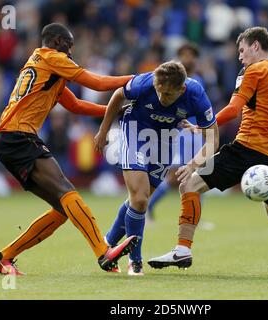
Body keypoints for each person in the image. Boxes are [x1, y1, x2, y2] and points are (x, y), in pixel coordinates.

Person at [148, 27, 268, 275]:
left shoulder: (253, 70)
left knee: (189, 185)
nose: (240, 56)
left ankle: (182, 250)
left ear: (256, 46)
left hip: (246, 148)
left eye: (242, 49)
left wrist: (204, 125)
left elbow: (234, 110)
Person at [0, 23, 138, 276]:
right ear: (56, 41)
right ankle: (104, 253)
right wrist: (137, 79)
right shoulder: (52, 57)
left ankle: (3, 258)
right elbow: (97, 83)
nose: (71, 50)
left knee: (62, 208)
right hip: (19, 137)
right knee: (67, 191)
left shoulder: (44, 65)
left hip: (10, 139)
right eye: (69, 44)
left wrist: (113, 112)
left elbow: (76, 104)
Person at [94, 61, 219, 275]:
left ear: (182, 89)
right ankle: (135, 261)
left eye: (169, 95)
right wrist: (103, 131)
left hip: (166, 139)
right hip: (136, 131)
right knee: (140, 199)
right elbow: (117, 96)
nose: (162, 98)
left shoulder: (196, 94)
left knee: (139, 201)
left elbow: (212, 138)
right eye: (160, 92)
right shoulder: (144, 83)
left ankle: (108, 243)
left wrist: (192, 165)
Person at [147, 43, 205, 222]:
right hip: (181, 133)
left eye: (191, 55)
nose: (188, 59)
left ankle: (195, 216)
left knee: (200, 174)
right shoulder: (173, 83)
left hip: (197, 133)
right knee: (174, 177)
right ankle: (147, 206)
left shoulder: (199, 81)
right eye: (184, 55)